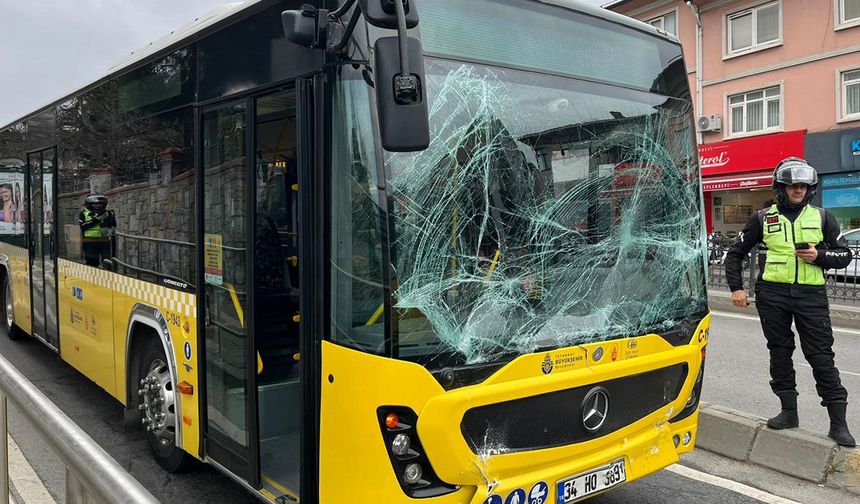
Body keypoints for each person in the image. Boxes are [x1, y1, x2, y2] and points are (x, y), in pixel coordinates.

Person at [725, 157, 855, 447]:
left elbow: (845, 254)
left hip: (811, 296)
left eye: (803, 186)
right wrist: (736, 289)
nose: (798, 190)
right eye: (793, 185)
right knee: (780, 352)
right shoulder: (762, 218)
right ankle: (788, 412)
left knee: (820, 356)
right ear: (781, 188)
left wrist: (819, 256)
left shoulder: (823, 217)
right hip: (772, 295)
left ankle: (838, 423)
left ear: (810, 189)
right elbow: (735, 254)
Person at [79, 194, 116, 267]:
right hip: (90, 241)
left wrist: (111, 219)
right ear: (89, 204)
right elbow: (83, 226)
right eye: (95, 204)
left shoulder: (107, 213)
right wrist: (97, 219)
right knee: (92, 263)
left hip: (105, 241)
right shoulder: (83, 213)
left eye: (100, 204)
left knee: (107, 263)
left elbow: (113, 225)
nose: (98, 206)